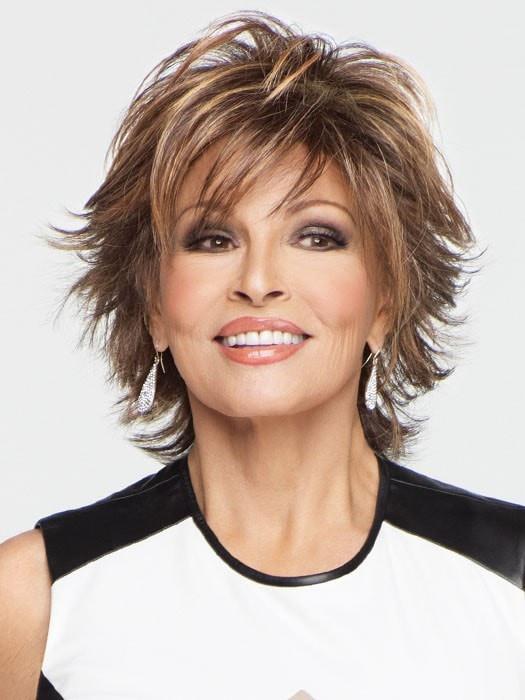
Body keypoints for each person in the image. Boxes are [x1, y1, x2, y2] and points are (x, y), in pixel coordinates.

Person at [1, 10, 524, 699]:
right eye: (213, 239)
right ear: (154, 305)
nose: (257, 280)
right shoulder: (34, 598)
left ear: (386, 300)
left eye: (316, 236)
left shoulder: (509, 581)